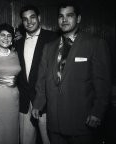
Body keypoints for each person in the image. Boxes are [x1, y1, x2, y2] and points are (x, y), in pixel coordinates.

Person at [32, 2, 111, 144]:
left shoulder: (95, 44)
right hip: (55, 124)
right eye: (61, 16)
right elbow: (42, 80)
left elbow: (103, 83)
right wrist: (38, 104)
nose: (64, 20)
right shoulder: (49, 48)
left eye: (69, 16)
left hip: (82, 122)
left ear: (78, 18)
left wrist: (97, 112)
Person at [15, 5, 58, 144]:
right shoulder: (18, 43)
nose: (29, 22)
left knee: (49, 140)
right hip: (25, 102)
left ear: (39, 18)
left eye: (32, 17)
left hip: (46, 102)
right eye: (25, 19)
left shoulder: (53, 38)